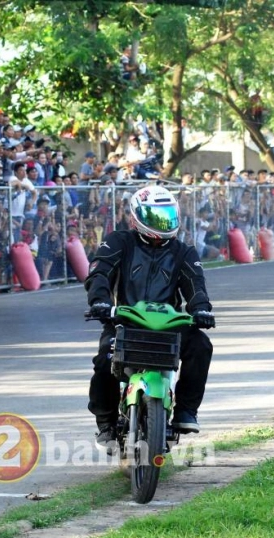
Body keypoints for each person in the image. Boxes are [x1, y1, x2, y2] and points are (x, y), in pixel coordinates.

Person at [85, 185, 216, 452]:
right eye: (157, 216)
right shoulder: (118, 241)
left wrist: (201, 309)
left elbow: (195, 285)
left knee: (201, 345)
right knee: (104, 361)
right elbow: (99, 273)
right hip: (125, 320)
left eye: (168, 215)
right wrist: (100, 302)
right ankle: (106, 422)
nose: (163, 222)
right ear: (137, 216)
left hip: (168, 324)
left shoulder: (184, 252)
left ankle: (186, 412)